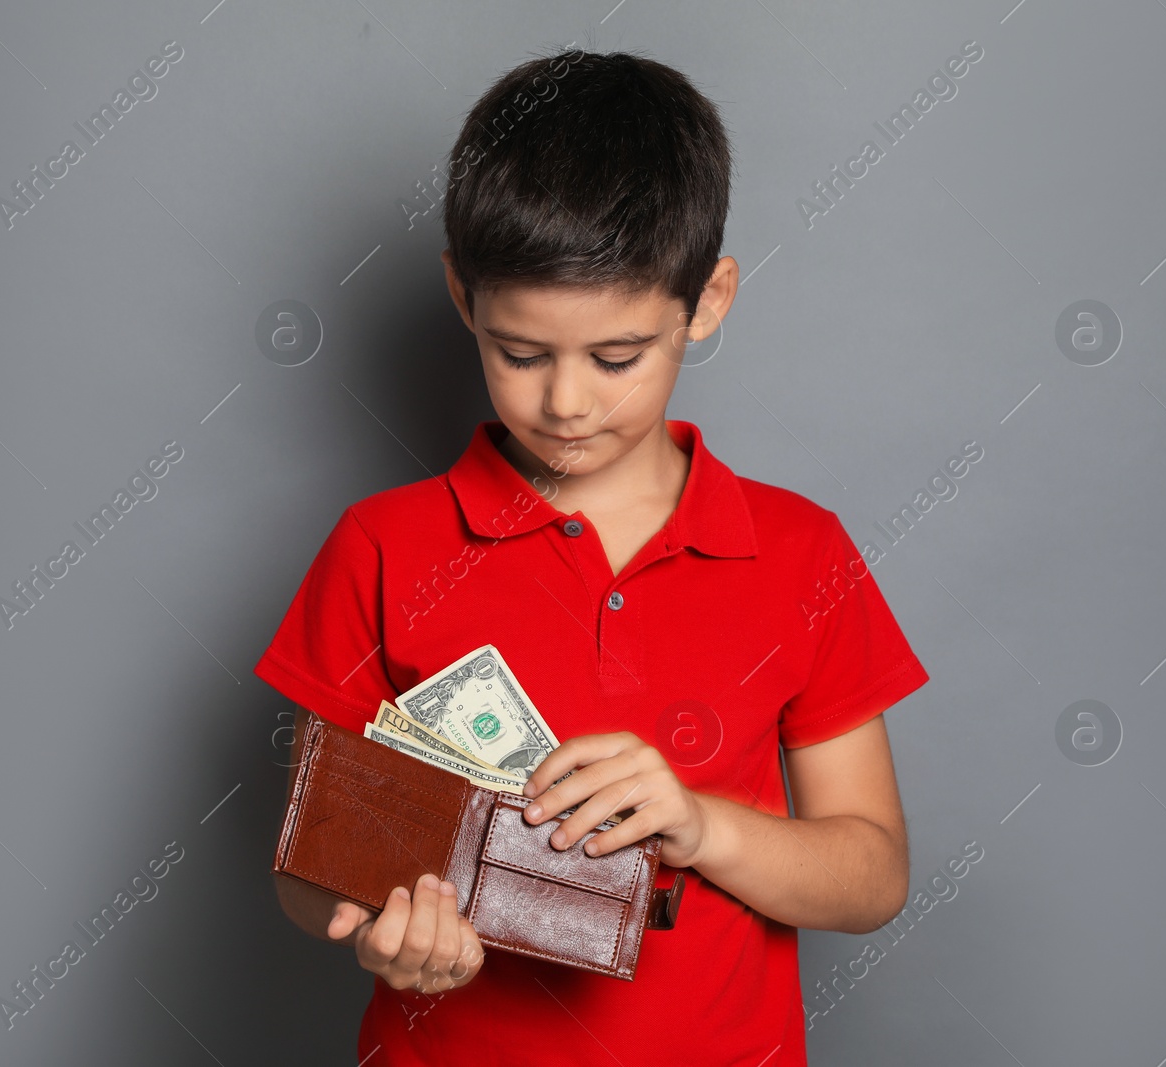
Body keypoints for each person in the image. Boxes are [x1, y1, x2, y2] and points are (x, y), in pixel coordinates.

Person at [255, 45, 929, 1066]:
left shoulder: (802, 552)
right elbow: (307, 869)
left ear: (705, 303)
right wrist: (381, 925)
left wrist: (700, 825)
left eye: (616, 358)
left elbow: (872, 875)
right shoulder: (382, 546)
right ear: (461, 297)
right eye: (518, 353)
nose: (564, 402)